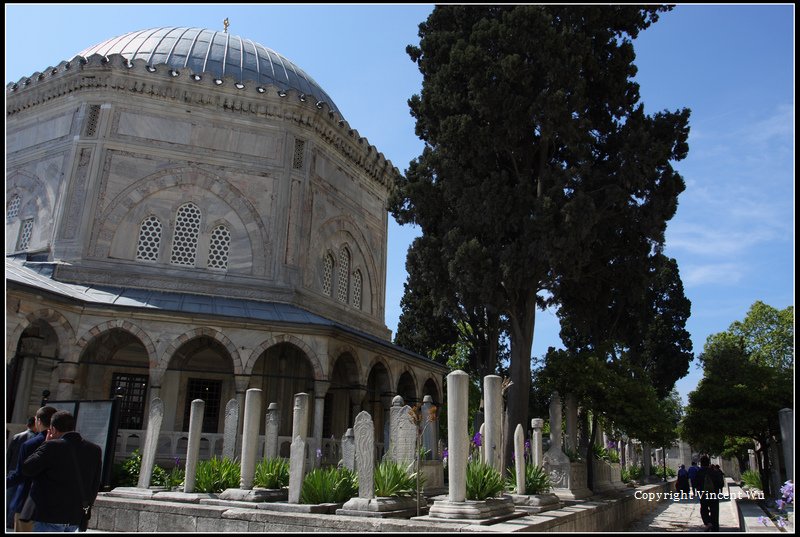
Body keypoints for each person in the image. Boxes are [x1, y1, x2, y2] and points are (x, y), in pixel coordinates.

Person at [22, 410, 103, 532]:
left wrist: (45, 444)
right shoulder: (94, 450)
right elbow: (95, 484)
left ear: (53, 429)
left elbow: (27, 468)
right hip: (75, 517)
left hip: (49, 516)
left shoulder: (50, 446)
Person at [6, 406, 58, 533]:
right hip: (53, 507)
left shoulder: (30, 444)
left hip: (27, 504)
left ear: (38, 421)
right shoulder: (63, 444)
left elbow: (20, 475)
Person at [6, 417, 37, 528]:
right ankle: (10, 522)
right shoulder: (35, 438)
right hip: (23, 472)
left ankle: (7, 520)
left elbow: (8, 455)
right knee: (18, 499)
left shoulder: (16, 436)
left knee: (9, 498)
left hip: (12, 470)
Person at [693, 455, 725, 532]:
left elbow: (695, 484)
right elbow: (721, 484)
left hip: (703, 495)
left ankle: (708, 522)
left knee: (703, 510)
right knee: (715, 512)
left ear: (701, 463)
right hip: (714, 495)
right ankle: (715, 529)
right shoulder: (714, 472)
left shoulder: (699, 472)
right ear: (709, 462)